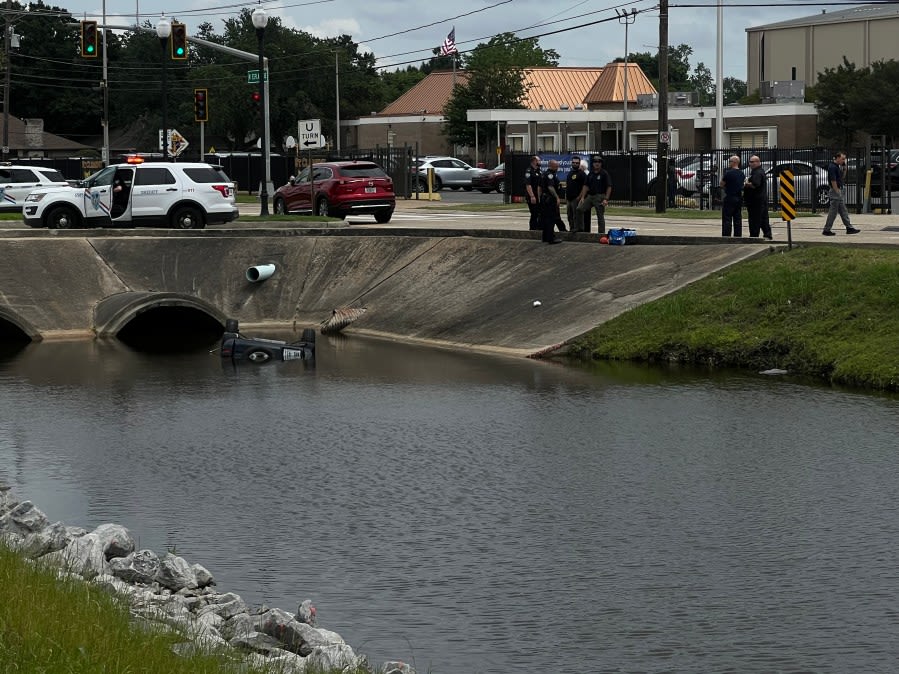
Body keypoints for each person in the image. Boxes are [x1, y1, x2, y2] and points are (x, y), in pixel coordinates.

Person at [823, 151, 860, 236]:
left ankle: (849, 228)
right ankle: (826, 230)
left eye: (844, 159)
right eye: (843, 159)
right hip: (835, 191)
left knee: (843, 211)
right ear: (837, 158)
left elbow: (842, 178)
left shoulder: (837, 167)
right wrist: (837, 191)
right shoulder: (832, 167)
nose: (844, 160)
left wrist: (845, 169)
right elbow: (833, 180)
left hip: (838, 190)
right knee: (833, 212)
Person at [577, 156, 612, 234]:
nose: (597, 164)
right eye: (595, 162)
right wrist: (582, 197)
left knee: (600, 216)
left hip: (600, 196)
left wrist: (606, 199)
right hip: (590, 196)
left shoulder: (604, 173)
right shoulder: (591, 173)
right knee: (579, 209)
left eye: (599, 162)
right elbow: (585, 186)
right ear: (592, 164)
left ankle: (601, 234)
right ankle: (580, 229)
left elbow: (609, 186)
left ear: (601, 164)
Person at [743, 155, 772, 240]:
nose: (750, 164)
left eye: (752, 162)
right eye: (749, 162)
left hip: (755, 201)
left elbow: (755, 185)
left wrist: (746, 184)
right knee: (763, 218)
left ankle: (754, 236)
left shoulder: (757, 172)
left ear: (758, 162)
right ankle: (767, 234)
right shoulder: (759, 171)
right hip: (760, 200)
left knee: (754, 219)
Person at [539, 159, 567, 244]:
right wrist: (557, 197)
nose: (557, 168)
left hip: (544, 199)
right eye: (556, 166)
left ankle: (545, 237)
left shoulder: (544, 174)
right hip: (550, 199)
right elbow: (550, 187)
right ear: (551, 166)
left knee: (545, 218)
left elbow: (540, 187)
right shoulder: (550, 175)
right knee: (551, 219)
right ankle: (551, 238)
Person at [719, 155, 744, 237]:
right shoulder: (741, 173)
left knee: (727, 218)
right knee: (737, 218)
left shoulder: (728, 173)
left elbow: (722, 184)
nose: (729, 163)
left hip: (730, 197)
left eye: (730, 161)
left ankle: (726, 235)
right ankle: (738, 235)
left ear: (734, 162)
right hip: (739, 197)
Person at [565, 155, 586, 233]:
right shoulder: (570, 173)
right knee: (569, 215)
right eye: (573, 162)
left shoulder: (582, 174)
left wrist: (580, 197)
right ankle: (572, 228)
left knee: (576, 215)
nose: (575, 164)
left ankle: (578, 229)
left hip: (576, 198)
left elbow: (584, 186)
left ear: (579, 163)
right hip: (569, 198)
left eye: (577, 163)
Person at [524, 155, 542, 230]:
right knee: (534, 213)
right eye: (539, 160)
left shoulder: (539, 171)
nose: (540, 162)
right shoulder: (529, 171)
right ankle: (533, 229)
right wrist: (532, 196)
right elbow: (528, 185)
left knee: (539, 213)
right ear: (534, 161)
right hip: (532, 196)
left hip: (538, 195)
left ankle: (539, 228)